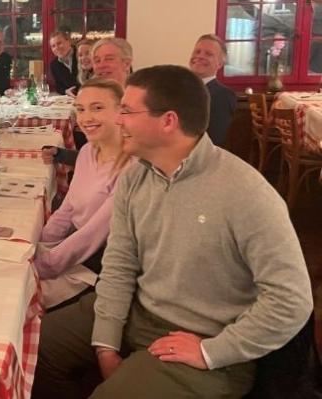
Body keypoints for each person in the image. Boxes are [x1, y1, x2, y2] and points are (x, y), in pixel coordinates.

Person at [32, 65, 313, 398]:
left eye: (127, 111)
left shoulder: (244, 191)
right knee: (34, 349)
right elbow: (120, 267)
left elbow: (292, 302)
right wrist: (105, 344)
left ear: (168, 121)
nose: (118, 120)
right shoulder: (136, 179)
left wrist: (213, 351)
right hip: (139, 311)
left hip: (205, 340)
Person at [35, 78, 130, 309]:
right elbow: (67, 210)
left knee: (23, 302)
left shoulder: (131, 167)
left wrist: (41, 265)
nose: (86, 118)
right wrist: (39, 245)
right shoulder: (88, 151)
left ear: (121, 112)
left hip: (96, 265)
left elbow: (93, 235)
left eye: (97, 108)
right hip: (71, 250)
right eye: (80, 109)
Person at [188, 33, 236, 146]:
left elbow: (214, 141)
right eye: (197, 51)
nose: (200, 56)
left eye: (208, 54)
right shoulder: (182, 89)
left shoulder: (223, 96)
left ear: (219, 64)